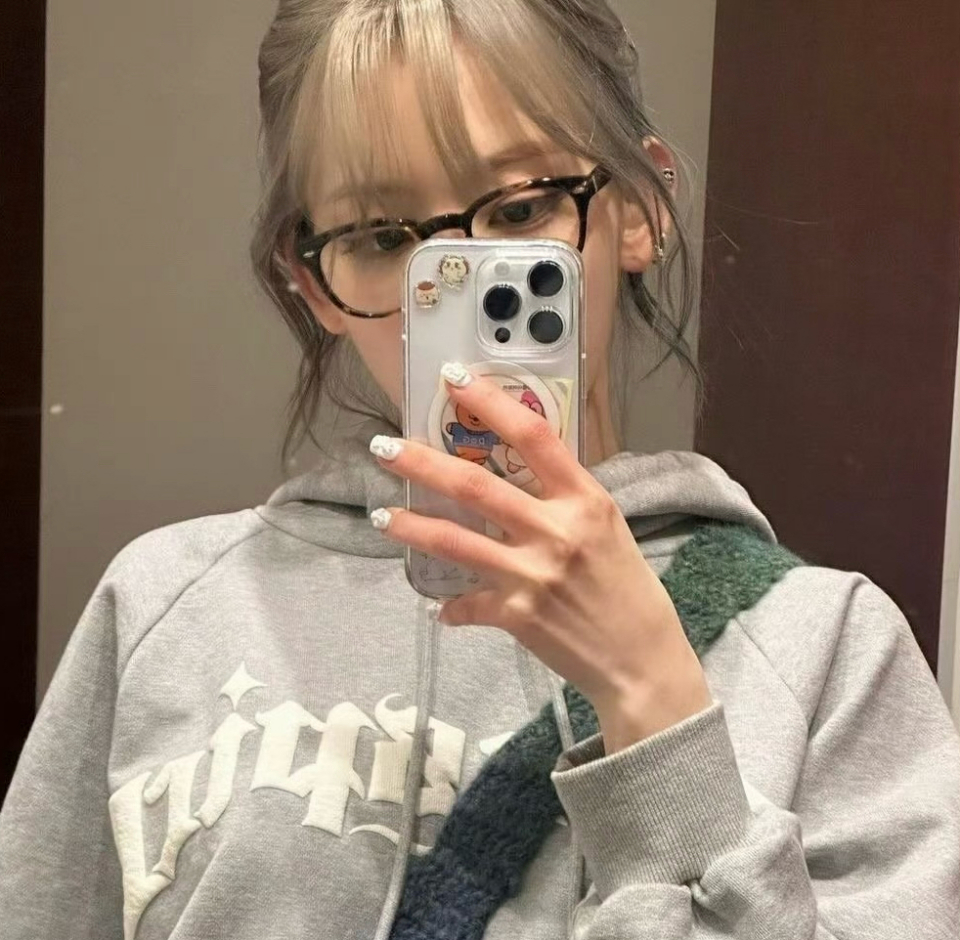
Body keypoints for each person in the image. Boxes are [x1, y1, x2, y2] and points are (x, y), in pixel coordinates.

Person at [1, 0, 958, 937]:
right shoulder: (163, 606)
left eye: (521, 207)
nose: (456, 278)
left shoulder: (827, 649)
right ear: (313, 280)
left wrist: (654, 705)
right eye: (383, 238)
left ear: (640, 209)